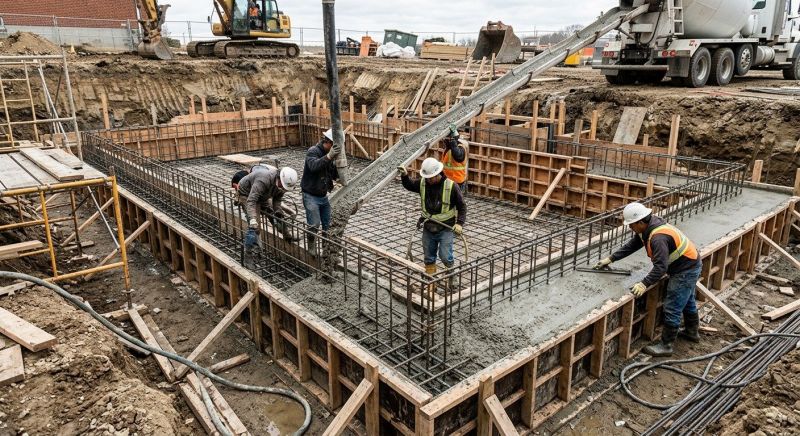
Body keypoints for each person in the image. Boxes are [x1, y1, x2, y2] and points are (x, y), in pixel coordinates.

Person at [594, 202, 702, 357]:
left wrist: (644, 284)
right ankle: (692, 332)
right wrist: (611, 258)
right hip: (690, 264)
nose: (630, 228)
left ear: (640, 222)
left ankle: (666, 346)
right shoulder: (650, 226)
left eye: (631, 225)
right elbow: (634, 244)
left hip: (685, 271)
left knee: (673, 306)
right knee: (687, 300)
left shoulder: (658, 238)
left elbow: (660, 268)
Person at [398, 157, 466, 279]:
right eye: (427, 177)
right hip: (428, 226)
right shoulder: (423, 183)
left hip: (446, 228)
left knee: (445, 256)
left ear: (437, 173)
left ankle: (452, 277)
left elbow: (462, 206)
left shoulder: (451, 186)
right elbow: (409, 185)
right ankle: (431, 280)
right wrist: (404, 175)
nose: (428, 180)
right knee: (429, 257)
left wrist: (460, 223)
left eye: (431, 177)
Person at [237, 166, 299, 264]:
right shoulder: (263, 180)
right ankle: (248, 255)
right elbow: (251, 201)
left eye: (284, 188)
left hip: (263, 195)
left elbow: (277, 199)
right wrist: (253, 218)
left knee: (277, 218)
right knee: (255, 227)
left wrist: (278, 211)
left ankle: (288, 236)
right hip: (246, 194)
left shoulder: (281, 185)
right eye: (282, 186)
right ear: (279, 178)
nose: (283, 189)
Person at [300, 129, 340, 254]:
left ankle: (326, 249)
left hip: (323, 196)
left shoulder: (330, 154)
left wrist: (338, 167)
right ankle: (311, 244)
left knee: (328, 225)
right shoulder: (313, 151)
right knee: (315, 224)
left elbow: (332, 174)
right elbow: (314, 167)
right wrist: (329, 157)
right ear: (328, 142)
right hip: (310, 195)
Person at [440, 125, 468, 193]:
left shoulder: (460, 147)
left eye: (446, 138)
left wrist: (453, 142)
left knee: (456, 202)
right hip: (447, 181)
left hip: (457, 182)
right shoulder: (447, 149)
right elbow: (443, 166)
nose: (444, 140)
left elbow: (459, 157)